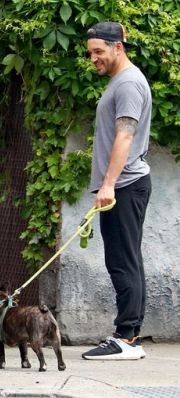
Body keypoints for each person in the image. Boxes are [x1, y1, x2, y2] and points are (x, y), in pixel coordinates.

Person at [82, 22, 152, 360]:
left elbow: (126, 136)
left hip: (125, 185)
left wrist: (108, 184)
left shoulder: (128, 84)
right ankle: (129, 333)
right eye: (90, 52)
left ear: (117, 48)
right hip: (124, 185)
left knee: (123, 262)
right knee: (125, 260)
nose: (93, 58)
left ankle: (127, 337)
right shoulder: (120, 82)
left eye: (99, 51)